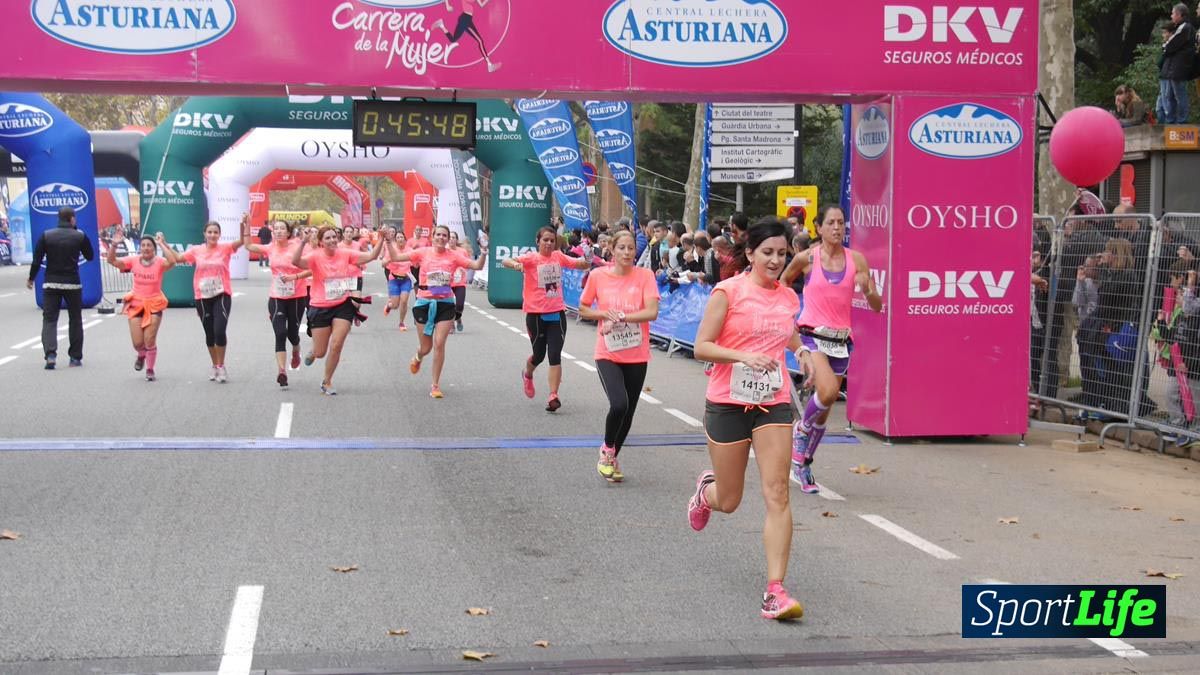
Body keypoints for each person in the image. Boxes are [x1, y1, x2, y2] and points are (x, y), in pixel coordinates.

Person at [687, 218, 805, 621]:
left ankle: (776, 590)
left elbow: (784, 332)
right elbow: (702, 346)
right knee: (732, 500)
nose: (775, 260)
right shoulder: (728, 292)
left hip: (772, 401)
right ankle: (707, 493)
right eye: (767, 252)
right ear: (750, 253)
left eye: (781, 253)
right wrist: (741, 356)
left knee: (778, 493)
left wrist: (803, 350)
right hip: (727, 401)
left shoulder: (788, 299)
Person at [781, 206, 883, 493]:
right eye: (831, 223)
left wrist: (868, 290)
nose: (837, 227)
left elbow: (878, 306)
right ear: (819, 227)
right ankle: (800, 430)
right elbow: (785, 281)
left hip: (840, 340)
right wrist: (787, 308)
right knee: (826, 392)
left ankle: (805, 464)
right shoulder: (807, 258)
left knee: (824, 411)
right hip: (812, 333)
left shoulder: (857, 260)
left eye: (841, 222)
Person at [578, 230, 660, 482]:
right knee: (619, 404)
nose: (626, 253)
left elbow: (652, 311)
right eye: (621, 248)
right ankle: (606, 451)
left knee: (629, 413)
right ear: (612, 250)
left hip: (636, 353)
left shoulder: (645, 276)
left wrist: (624, 316)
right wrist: (604, 314)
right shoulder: (597, 276)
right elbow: (583, 308)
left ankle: (612, 456)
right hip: (608, 352)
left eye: (631, 248)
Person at [388, 225, 488, 398]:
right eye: (438, 235)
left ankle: (435, 385)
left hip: (445, 303)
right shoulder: (422, 252)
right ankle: (418, 357)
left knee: (439, 343)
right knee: (426, 348)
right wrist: (389, 241)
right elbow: (396, 257)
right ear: (433, 236)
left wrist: (484, 252)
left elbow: (477, 266)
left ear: (448, 238)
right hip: (424, 302)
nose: (441, 238)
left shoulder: (454, 256)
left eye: (445, 235)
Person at [499, 226, 592, 411]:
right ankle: (528, 374)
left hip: (556, 313)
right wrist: (516, 264)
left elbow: (580, 264)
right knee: (539, 355)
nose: (549, 243)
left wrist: (588, 258)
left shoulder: (558, 257)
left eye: (552, 240)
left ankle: (553, 395)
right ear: (538, 241)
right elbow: (505, 260)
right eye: (545, 240)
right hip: (535, 315)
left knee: (554, 354)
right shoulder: (531, 258)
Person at [292, 224, 386, 395]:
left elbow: (372, 255)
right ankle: (314, 351)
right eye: (327, 238)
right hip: (320, 306)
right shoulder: (315, 256)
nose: (332, 240)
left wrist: (381, 238)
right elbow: (296, 262)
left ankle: (327, 381)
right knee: (321, 352)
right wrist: (302, 243)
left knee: (336, 344)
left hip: (342, 305)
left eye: (334, 236)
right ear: (321, 242)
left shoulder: (345, 254)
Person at [160, 217, 246, 382]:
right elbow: (178, 258)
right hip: (202, 296)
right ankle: (214, 365)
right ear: (204, 234)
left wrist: (243, 225)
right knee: (209, 333)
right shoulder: (196, 250)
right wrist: (164, 244)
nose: (212, 235)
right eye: (210, 232)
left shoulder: (226, 248)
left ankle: (221, 366)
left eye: (215, 232)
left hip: (222, 294)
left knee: (219, 330)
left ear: (219, 234)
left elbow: (242, 241)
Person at [244, 220, 311, 388]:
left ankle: (296, 349)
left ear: (288, 232)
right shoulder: (270, 247)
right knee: (280, 333)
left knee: (292, 334)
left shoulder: (298, 246)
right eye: (276, 229)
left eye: (283, 229)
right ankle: (282, 371)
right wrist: (245, 225)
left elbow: (312, 268)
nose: (279, 231)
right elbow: (248, 246)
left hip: (297, 296)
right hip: (276, 296)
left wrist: (294, 277)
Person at [28, 207, 95, 369]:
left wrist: (31, 278)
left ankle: (50, 355)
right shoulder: (79, 236)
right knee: (75, 319)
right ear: (72, 219)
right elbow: (90, 256)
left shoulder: (46, 235)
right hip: (73, 283)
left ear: (58, 218)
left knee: (50, 319)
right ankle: (75, 357)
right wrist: (77, 232)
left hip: (51, 282)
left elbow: (37, 260)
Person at [105, 228, 174, 381]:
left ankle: (150, 369)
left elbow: (172, 261)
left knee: (149, 339)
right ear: (139, 248)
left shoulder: (160, 262)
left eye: (149, 245)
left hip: (154, 304)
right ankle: (141, 354)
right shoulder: (134, 260)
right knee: (138, 343)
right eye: (143, 245)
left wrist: (162, 244)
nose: (146, 248)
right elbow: (112, 261)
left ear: (154, 249)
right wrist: (114, 245)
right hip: (136, 304)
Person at [430, 0, 501, 72]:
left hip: (466, 19)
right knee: (480, 41)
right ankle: (489, 65)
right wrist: (447, 5)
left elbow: (481, 5)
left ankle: (441, 25)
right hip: (465, 19)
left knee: (453, 39)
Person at [1161, 4, 1196, 124]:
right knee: (1169, 96)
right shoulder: (1179, 27)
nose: (1171, 16)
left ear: (1180, 15)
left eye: (1173, 13)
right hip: (1173, 69)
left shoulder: (1185, 27)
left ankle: (1182, 121)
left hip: (1179, 68)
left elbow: (1170, 45)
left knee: (1180, 96)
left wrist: (1165, 47)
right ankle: (1170, 121)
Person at [382, 228, 414, 331]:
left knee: (404, 301)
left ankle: (401, 322)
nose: (400, 239)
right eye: (398, 237)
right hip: (394, 279)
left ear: (405, 239)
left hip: (406, 280)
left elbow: (416, 262)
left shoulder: (410, 250)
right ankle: (389, 305)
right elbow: (383, 263)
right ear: (396, 240)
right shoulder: (392, 250)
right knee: (395, 305)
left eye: (402, 237)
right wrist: (387, 261)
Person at [449, 231, 469, 333]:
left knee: (459, 305)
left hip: (460, 282)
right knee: (449, 305)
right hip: (448, 283)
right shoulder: (445, 251)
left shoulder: (462, 251)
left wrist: (462, 269)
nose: (452, 239)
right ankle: (451, 326)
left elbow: (467, 264)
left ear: (456, 240)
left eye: (454, 237)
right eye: (450, 237)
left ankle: (458, 319)